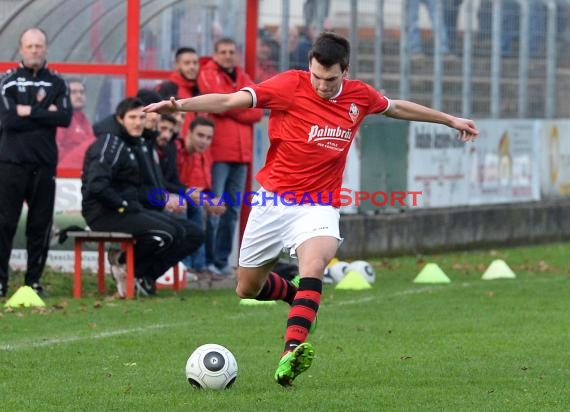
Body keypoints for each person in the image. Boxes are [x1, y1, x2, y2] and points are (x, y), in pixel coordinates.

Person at [144, 31, 478, 386]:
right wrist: (180, 105)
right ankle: (297, 297)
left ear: (344, 72)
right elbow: (230, 101)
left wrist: (449, 119)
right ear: (309, 66)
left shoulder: (359, 96)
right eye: (316, 75)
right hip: (272, 201)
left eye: (330, 78)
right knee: (246, 287)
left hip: (319, 204)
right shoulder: (289, 85)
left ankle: (292, 352)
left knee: (314, 264)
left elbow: (395, 107)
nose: (321, 84)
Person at [82, 97, 203, 297]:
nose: (138, 122)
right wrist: (122, 204)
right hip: (106, 213)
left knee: (189, 233)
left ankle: (141, 276)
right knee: (167, 233)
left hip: (130, 208)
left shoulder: (136, 141)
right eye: (132, 117)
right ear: (120, 119)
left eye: (141, 117)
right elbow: (97, 186)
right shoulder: (110, 143)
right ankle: (124, 263)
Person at [0, 28, 72, 297]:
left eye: (39, 46)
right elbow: (8, 121)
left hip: (44, 164)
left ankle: (33, 282)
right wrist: (44, 113)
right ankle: (1, 282)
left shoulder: (57, 82)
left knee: (39, 226)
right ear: (21, 48)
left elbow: (64, 117)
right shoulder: (6, 81)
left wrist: (26, 111)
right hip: (10, 163)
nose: (34, 50)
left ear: (45, 48)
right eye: (29, 46)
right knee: (5, 224)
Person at [197, 37, 263, 278]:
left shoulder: (242, 76)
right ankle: (207, 261)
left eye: (231, 51)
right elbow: (218, 104)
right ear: (215, 54)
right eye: (223, 51)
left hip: (241, 155)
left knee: (233, 210)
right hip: (218, 153)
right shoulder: (208, 73)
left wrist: (231, 106)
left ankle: (222, 261)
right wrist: (237, 106)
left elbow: (257, 111)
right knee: (215, 208)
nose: (227, 55)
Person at [177, 116, 225, 278]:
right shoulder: (177, 149)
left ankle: (200, 266)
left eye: (208, 137)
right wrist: (206, 201)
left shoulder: (198, 155)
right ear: (189, 133)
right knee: (186, 208)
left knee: (211, 211)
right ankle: (185, 266)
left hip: (183, 198)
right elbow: (171, 183)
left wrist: (210, 202)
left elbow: (196, 190)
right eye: (200, 135)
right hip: (163, 197)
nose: (204, 141)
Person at [156, 47, 200, 136]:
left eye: (195, 63)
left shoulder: (201, 89)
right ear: (177, 65)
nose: (192, 67)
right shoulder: (165, 89)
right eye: (187, 63)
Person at [56, 78, 96, 169]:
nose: (79, 96)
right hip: (66, 173)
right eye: (73, 92)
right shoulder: (61, 119)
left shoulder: (85, 120)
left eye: (82, 92)